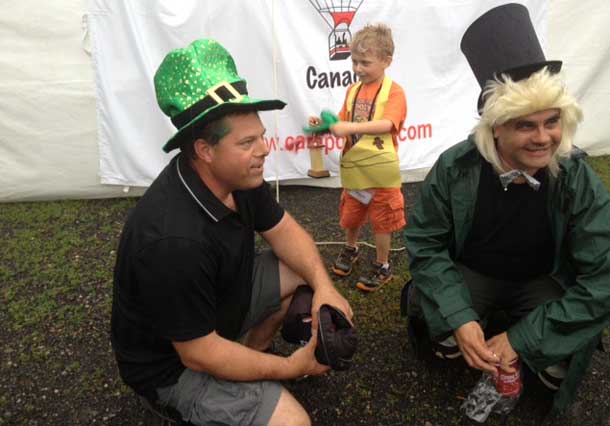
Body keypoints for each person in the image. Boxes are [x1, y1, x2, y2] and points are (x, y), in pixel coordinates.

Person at [110, 38, 353, 426]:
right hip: (173, 366)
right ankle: (174, 403)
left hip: (215, 311)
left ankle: (252, 354)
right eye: (247, 142)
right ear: (205, 151)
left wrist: (324, 287)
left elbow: (289, 234)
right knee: (294, 423)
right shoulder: (172, 240)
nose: (264, 149)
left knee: (299, 269)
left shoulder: (239, 179)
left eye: (260, 135)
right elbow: (199, 353)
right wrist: (291, 367)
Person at [403, 3, 610, 414]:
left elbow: (604, 276)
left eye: (552, 121)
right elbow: (425, 246)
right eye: (525, 124)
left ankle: (513, 333)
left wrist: (523, 339)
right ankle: (478, 324)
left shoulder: (575, 176)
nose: (543, 138)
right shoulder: (454, 167)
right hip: (474, 274)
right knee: (443, 340)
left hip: (540, 281)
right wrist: (460, 317)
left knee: (552, 370)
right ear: (495, 126)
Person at [309, 23, 407, 292]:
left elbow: (388, 124)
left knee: (382, 219)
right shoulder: (353, 90)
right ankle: (351, 249)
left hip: (381, 173)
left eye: (365, 62)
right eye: (354, 61)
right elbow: (343, 120)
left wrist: (349, 128)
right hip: (355, 169)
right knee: (350, 216)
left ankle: (382, 264)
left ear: (386, 61)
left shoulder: (394, 91)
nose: (358, 68)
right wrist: (324, 123)